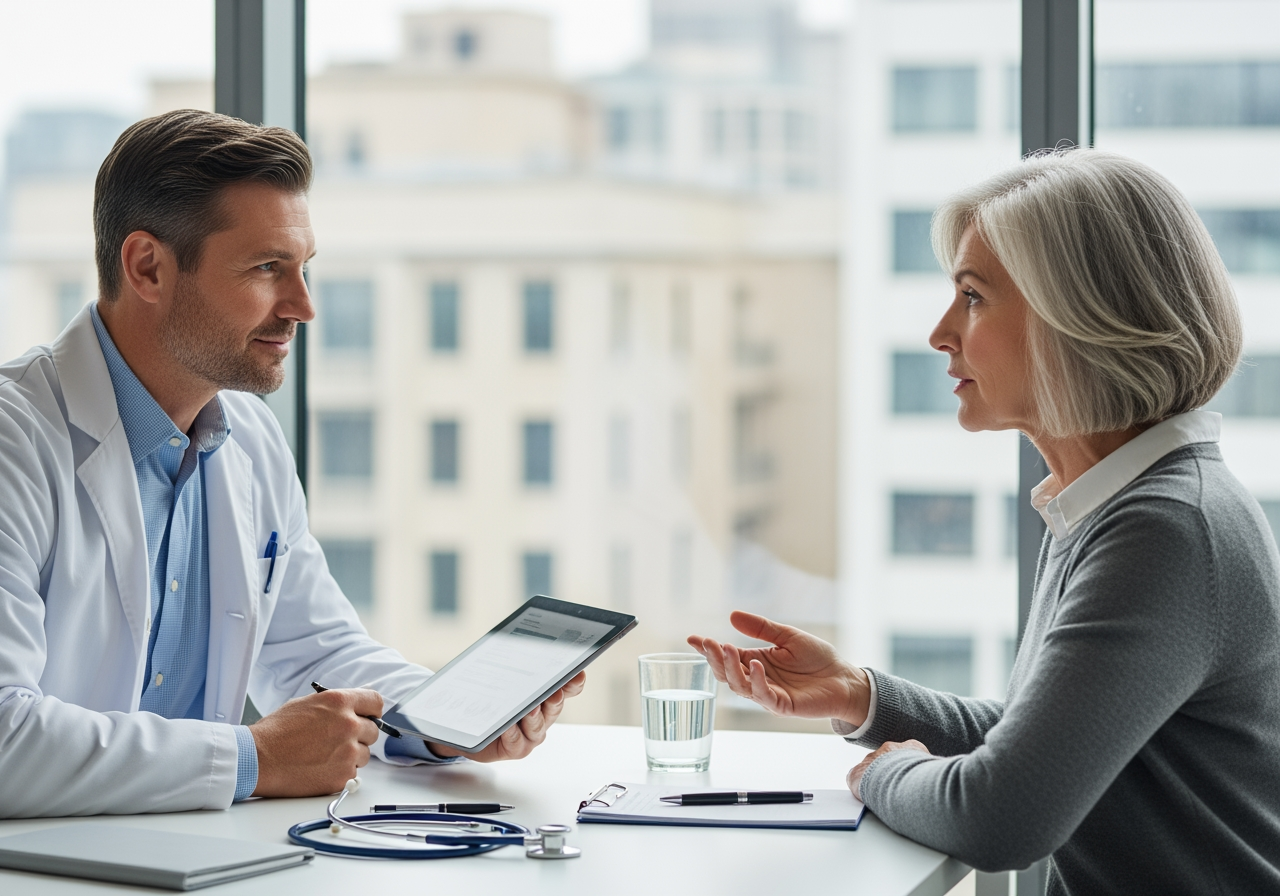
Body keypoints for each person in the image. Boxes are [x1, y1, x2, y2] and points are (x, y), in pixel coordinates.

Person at [689, 149, 1280, 894]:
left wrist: (888, 772)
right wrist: (857, 693)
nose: (941, 333)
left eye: (972, 297)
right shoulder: (1116, 501)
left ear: (1080, 315)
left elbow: (1002, 815)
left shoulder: (1163, 529)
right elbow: (1038, 748)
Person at [0, 109, 584, 818]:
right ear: (148, 267)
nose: (303, 306)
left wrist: (446, 723)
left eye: (304, 269)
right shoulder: (16, 442)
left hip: (193, 855)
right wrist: (254, 759)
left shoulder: (245, 432)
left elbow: (312, 653)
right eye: (267, 269)